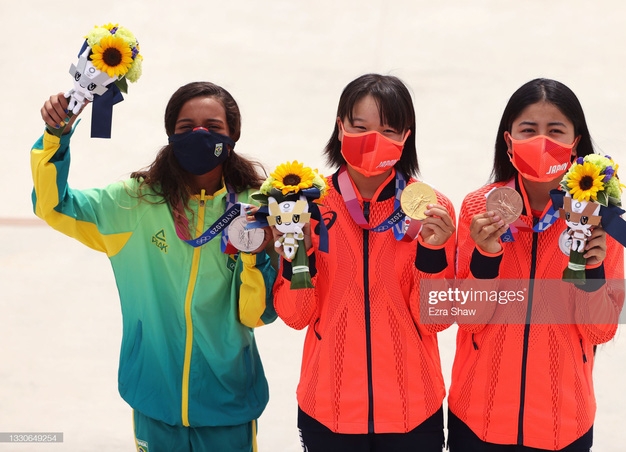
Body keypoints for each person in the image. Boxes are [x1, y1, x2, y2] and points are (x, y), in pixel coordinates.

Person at [31, 81, 277, 451]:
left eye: (212, 128)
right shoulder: (134, 204)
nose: (198, 135)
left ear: (233, 135)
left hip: (228, 403)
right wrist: (56, 136)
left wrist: (255, 253)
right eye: (185, 127)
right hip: (153, 397)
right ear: (170, 135)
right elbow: (54, 206)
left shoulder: (257, 210)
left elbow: (258, 314)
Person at [272, 73, 456, 451]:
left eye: (389, 130)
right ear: (340, 128)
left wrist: (432, 252)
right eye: (360, 127)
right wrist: (299, 259)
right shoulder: (306, 206)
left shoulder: (432, 209)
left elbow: (435, 320)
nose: (374, 140)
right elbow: (295, 315)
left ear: (407, 136)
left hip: (413, 411)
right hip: (327, 408)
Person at [447, 78, 625, 451]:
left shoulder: (599, 217)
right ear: (509, 140)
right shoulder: (479, 208)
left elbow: (600, 332)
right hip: (478, 418)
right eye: (528, 130)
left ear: (575, 141)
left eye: (555, 130)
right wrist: (485, 258)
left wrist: (592, 273)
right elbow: (467, 318)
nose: (542, 141)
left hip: (564, 423)